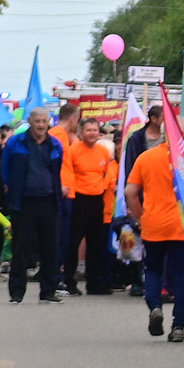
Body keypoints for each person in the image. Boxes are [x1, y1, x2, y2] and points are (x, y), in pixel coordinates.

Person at [125, 124, 184, 343]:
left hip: (153, 224)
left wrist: (140, 217)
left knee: (153, 270)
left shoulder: (146, 158)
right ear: (181, 135)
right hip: (183, 227)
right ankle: (178, 326)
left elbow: (130, 192)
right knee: (183, 277)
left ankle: (155, 306)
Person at [0, 108, 66, 302]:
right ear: (30, 121)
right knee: (21, 248)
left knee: (50, 249)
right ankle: (16, 293)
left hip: (49, 201)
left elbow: (58, 170)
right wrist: (12, 190)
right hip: (24, 202)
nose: (40, 125)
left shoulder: (55, 145)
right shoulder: (15, 143)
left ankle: (48, 292)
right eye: (37, 121)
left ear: (48, 123)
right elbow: (6, 169)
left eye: (44, 121)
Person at [60, 115, 119, 296]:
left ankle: (95, 284)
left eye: (95, 130)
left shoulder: (103, 152)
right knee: (73, 243)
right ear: (81, 132)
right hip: (78, 200)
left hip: (97, 201)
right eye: (89, 130)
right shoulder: (73, 150)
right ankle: (68, 281)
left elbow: (108, 174)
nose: (92, 133)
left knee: (97, 244)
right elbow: (66, 173)